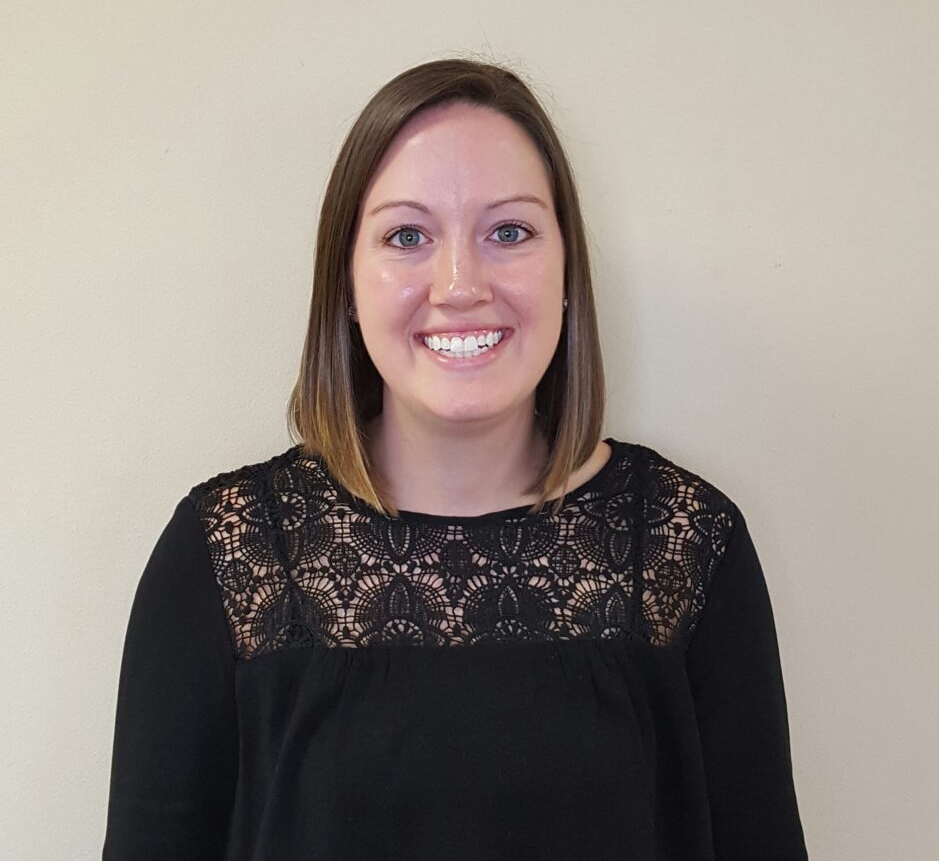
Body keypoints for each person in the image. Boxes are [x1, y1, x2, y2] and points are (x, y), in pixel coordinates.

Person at [103, 59, 809, 860]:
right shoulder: (228, 554)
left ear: (566, 268)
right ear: (346, 283)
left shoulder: (683, 545)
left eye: (508, 231)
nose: (459, 284)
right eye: (407, 235)